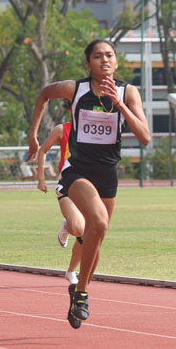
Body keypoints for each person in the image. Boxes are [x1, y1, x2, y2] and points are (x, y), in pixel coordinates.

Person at [27, 39, 150, 329]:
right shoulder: (75, 88)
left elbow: (144, 137)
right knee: (100, 223)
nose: (104, 60)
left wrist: (119, 104)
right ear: (88, 63)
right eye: (97, 56)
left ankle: (79, 292)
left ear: (116, 62)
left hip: (107, 173)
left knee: (96, 236)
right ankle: (81, 294)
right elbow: (44, 94)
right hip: (77, 170)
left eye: (109, 55)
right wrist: (33, 135)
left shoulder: (128, 92)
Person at [36, 122, 84, 285]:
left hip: (91, 186)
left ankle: (71, 272)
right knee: (78, 228)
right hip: (67, 183)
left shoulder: (98, 128)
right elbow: (43, 150)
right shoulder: (62, 129)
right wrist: (41, 179)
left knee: (87, 233)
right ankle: (69, 224)